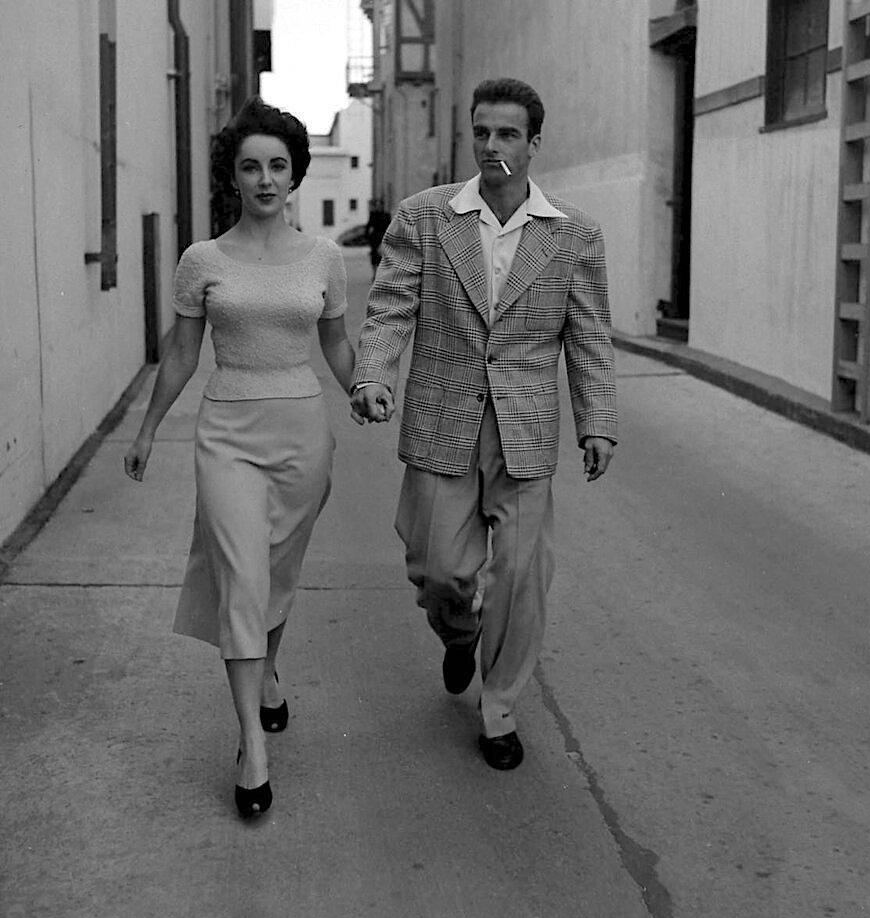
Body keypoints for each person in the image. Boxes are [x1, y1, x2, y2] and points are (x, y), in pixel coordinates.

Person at [351, 78, 617, 770]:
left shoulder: (573, 236)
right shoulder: (423, 217)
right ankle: (458, 631)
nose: (491, 145)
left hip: (524, 431)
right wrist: (374, 374)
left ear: (533, 143)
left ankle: (498, 707)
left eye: (506, 134)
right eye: (481, 132)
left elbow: (589, 337)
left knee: (523, 576)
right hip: (443, 419)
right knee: (437, 569)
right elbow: (389, 310)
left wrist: (597, 420)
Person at [124, 96, 359, 818]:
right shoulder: (202, 260)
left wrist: (367, 390)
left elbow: (338, 345)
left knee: (278, 570)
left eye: (277, 166)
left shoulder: (323, 257)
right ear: (232, 176)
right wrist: (147, 427)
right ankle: (251, 744)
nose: (264, 178)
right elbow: (183, 352)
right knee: (241, 575)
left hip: (301, 431)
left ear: (294, 175)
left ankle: (268, 674)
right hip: (226, 428)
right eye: (250, 166)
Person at [364, 198, 392, 274]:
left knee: (382, 257)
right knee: (374, 257)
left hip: (383, 238)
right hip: (374, 239)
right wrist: (367, 236)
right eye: (377, 205)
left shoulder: (386, 215)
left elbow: (389, 227)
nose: (378, 206)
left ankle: (381, 273)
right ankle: (375, 273)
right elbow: (369, 226)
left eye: (380, 205)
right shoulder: (373, 215)